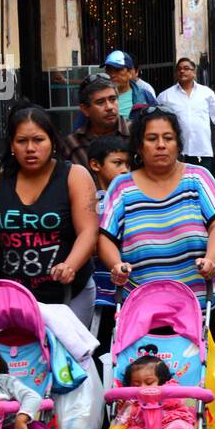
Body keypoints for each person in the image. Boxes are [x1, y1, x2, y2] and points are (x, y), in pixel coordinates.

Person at [99, 107, 215, 343]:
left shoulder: (198, 177)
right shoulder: (122, 187)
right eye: (152, 139)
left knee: (196, 374)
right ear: (139, 146)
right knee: (148, 376)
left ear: (178, 144)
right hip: (143, 309)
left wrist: (210, 259)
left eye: (168, 138)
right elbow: (106, 237)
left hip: (203, 301)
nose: (160, 145)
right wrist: (116, 265)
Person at [0, 106, 99, 326]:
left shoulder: (74, 175)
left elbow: (88, 231)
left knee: (66, 358)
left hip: (68, 293)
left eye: (38, 140)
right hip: (8, 293)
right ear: (11, 145)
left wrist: (71, 265)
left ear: (53, 142)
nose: (31, 148)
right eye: (22, 141)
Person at [86, 135, 131, 366]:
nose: (125, 170)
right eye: (117, 163)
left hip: (129, 291)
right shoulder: (93, 202)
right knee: (100, 350)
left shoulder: (130, 198)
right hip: (102, 293)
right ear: (95, 165)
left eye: (127, 163)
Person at [156, 57, 215, 178]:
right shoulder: (165, 96)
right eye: (179, 69)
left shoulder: (206, 93)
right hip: (178, 151)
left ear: (194, 72)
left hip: (202, 148)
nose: (182, 71)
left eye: (186, 68)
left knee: (202, 183)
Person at [62, 73, 130, 172]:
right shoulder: (73, 143)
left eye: (113, 99)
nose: (109, 107)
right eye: (100, 102)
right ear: (85, 109)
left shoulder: (136, 133)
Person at [104, 51, 156, 119]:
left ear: (130, 73)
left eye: (118, 70)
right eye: (109, 70)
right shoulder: (98, 97)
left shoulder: (145, 95)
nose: (112, 74)